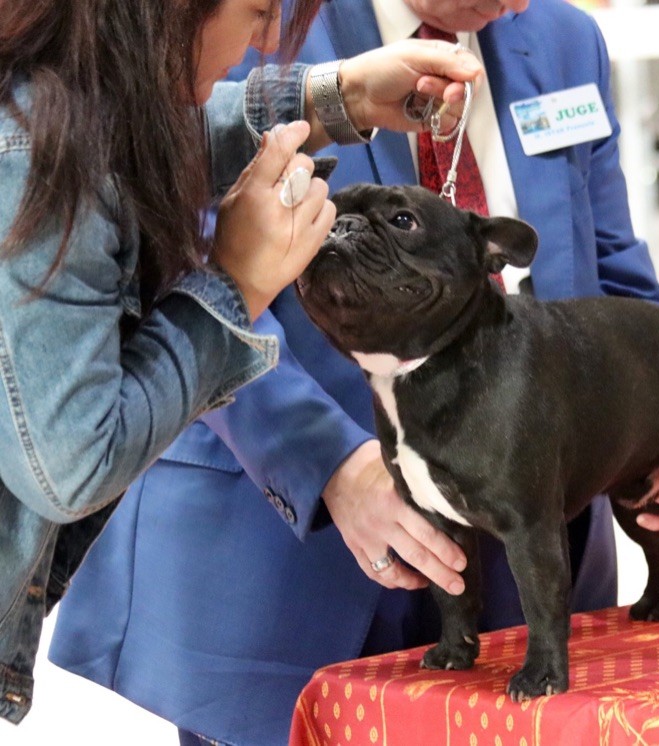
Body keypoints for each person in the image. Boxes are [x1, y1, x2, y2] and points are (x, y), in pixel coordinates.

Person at [49, 0, 659, 743]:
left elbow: (614, 270)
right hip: (289, 566)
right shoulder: (245, 21)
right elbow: (181, 267)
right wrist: (334, 465)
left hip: (530, 566)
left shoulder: (562, 40)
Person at [0, 0, 484, 727]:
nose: (264, 41)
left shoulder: (62, 105)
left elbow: (153, 136)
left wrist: (340, 96)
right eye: (258, 14)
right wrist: (234, 286)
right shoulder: (34, 151)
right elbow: (75, 461)